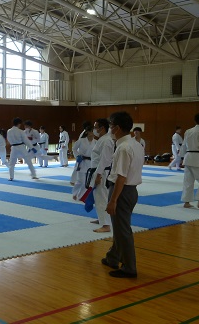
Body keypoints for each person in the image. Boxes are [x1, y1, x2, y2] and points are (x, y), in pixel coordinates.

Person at [101, 111, 144, 278]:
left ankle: (129, 267)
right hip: (131, 190)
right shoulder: (136, 144)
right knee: (120, 227)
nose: (110, 129)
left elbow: (121, 177)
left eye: (111, 126)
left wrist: (113, 200)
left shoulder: (124, 148)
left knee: (122, 230)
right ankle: (113, 257)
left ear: (117, 128)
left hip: (122, 190)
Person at [89, 119, 114, 233]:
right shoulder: (102, 139)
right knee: (98, 197)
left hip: (102, 172)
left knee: (102, 197)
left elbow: (104, 160)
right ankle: (102, 219)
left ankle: (106, 225)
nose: (94, 129)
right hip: (98, 170)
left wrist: (98, 175)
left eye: (96, 127)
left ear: (102, 128)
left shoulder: (106, 140)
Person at [72, 127, 95, 200]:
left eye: (93, 131)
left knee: (87, 182)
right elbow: (74, 148)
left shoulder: (96, 142)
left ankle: (80, 195)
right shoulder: (81, 140)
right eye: (90, 131)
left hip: (91, 163)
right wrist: (77, 156)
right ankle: (75, 193)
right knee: (81, 181)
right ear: (87, 132)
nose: (92, 133)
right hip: (82, 162)